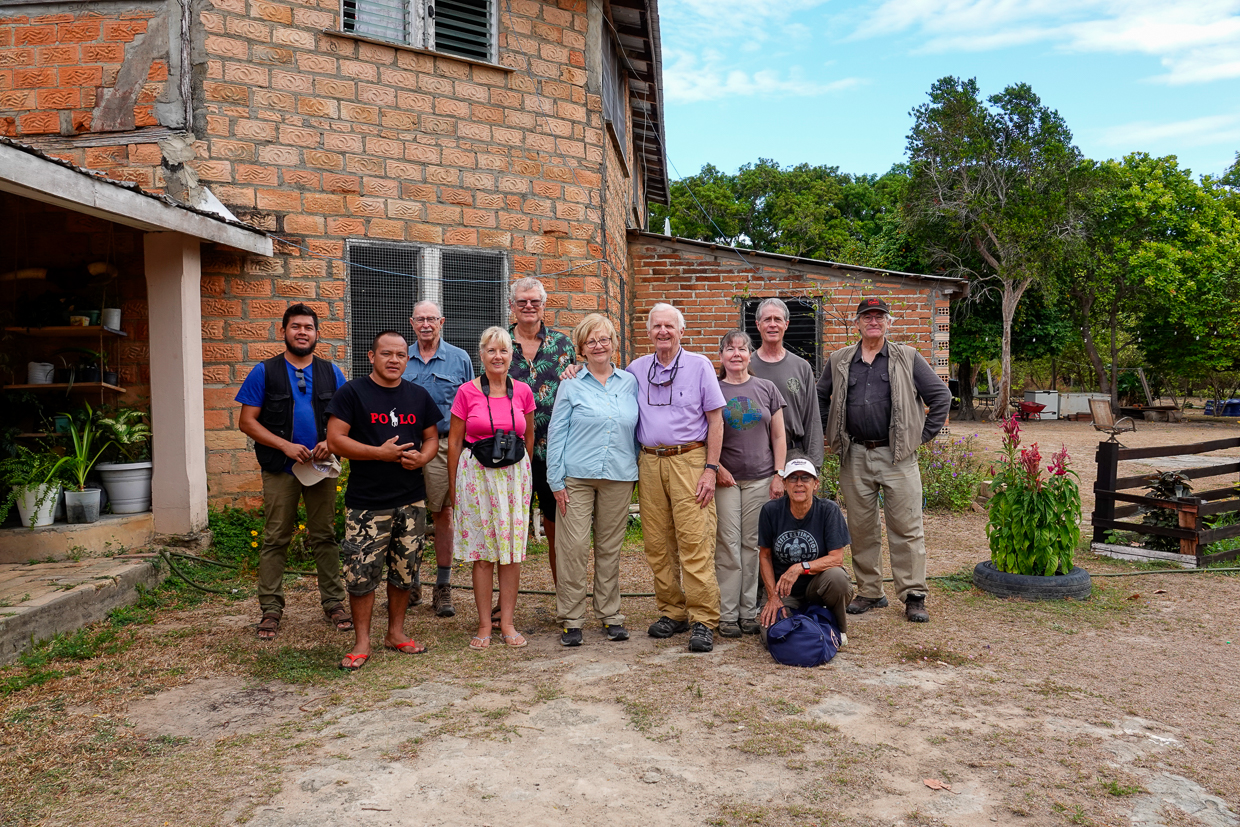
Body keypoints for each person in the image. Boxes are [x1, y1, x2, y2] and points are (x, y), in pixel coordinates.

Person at [816, 297, 951, 623]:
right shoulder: (840, 360)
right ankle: (870, 592)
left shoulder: (907, 357)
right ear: (858, 323)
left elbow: (940, 396)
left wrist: (919, 438)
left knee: (906, 529)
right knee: (861, 529)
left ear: (888, 322)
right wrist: (828, 431)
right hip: (855, 454)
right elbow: (819, 396)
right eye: (867, 317)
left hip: (898, 458)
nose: (873, 321)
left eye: (879, 317)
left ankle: (913, 595)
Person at [325, 330, 440, 670]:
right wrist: (378, 453)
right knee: (361, 575)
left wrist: (423, 458)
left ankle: (396, 633)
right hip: (367, 503)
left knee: (405, 571)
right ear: (371, 357)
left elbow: (431, 436)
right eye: (386, 354)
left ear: (408, 359)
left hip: (411, 500)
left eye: (400, 355)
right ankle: (362, 641)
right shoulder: (353, 393)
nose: (394, 360)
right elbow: (335, 440)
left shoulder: (417, 396)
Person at [236, 303, 350, 642]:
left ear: (317, 334)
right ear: (283, 331)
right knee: (275, 537)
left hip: (320, 468)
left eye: (309, 327)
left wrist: (331, 442)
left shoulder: (333, 373)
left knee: (325, 536)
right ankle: (270, 609)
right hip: (280, 468)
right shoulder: (264, 372)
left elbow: (346, 420)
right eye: (295, 326)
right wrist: (284, 446)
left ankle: (334, 603)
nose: (302, 332)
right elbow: (247, 421)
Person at [628, 303, 726, 653]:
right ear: (649, 331)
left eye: (670, 326)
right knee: (656, 543)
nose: (663, 332)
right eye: (657, 326)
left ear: (681, 331)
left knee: (694, 540)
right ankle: (673, 611)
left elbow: (716, 421)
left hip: (690, 460)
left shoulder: (700, 366)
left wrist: (711, 469)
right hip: (650, 462)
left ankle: (703, 619)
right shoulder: (636, 369)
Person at [546, 314, 639, 647]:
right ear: (581, 349)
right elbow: (556, 433)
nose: (598, 346)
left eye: (604, 339)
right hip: (576, 478)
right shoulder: (570, 383)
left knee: (609, 548)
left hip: (619, 475)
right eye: (591, 341)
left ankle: (610, 614)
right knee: (573, 548)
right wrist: (555, 479)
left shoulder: (630, 382)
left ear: (614, 342)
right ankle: (572, 618)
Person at [448, 327, 536, 650]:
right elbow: (455, 442)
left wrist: (524, 475)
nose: (497, 357)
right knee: (483, 555)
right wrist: (455, 489)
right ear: (481, 354)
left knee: (511, 553)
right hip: (478, 477)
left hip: (513, 477)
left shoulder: (523, 391)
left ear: (512, 356)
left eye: (503, 351)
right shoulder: (467, 392)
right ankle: (485, 623)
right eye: (491, 351)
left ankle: (508, 622)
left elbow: (529, 436)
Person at [401, 299, 474, 618]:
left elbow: (472, 404)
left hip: (446, 445)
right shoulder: (401, 358)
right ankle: (410, 581)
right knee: (408, 514)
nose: (426, 324)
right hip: (406, 446)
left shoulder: (459, 359)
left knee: (443, 515)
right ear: (412, 323)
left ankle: (442, 587)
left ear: (442, 322)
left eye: (432, 318)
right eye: (420, 319)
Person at [714, 329, 788, 639]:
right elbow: (701, 435)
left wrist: (778, 473)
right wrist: (715, 467)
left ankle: (748, 611)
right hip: (726, 481)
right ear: (721, 356)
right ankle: (727, 613)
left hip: (760, 479)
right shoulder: (713, 390)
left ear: (750, 354)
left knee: (752, 546)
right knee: (728, 546)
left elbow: (779, 436)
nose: (736, 354)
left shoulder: (766, 388)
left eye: (742, 349)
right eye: (729, 349)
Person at [507, 276, 575, 587]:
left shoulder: (563, 344)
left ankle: (565, 598)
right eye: (522, 301)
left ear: (544, 305)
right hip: (509, 453)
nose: (529, 306)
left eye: (535, 301)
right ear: (512, 306)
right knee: (509, 530)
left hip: (554, 452)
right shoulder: (500, 344)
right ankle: (503, 606)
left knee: (555, 525)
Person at [757, 458, 854, 644]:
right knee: (773, 636)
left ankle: (839, 629)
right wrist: (772, 597)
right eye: (793, 478)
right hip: (784, 591)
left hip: (818, 586)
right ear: (784, 484)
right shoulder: (770, 511)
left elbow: (837, 559)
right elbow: (765, 556)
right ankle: (806, 620)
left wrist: (800, 567)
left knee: (838, 578)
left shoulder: (828, 510)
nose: (799, 483)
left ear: (816, 484)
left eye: (805, 478)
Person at [748, 298, 824, 469]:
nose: (772, 324)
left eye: (778, 319)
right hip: (756, 455)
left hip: (794, 455)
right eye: (767, 319)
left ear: (786, 324)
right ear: (758, 324)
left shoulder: (801, 367)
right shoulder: (746, 366)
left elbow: (812, 419)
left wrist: (814, 465)